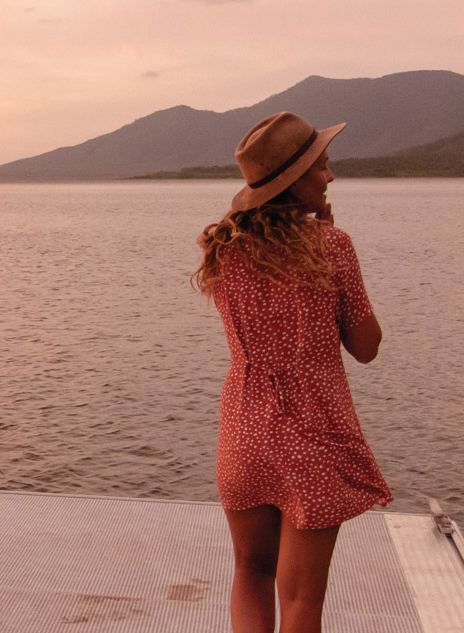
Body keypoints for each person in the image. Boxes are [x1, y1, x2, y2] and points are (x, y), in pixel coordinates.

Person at [193, 112, 392, 633]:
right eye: (322, 168)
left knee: (249, 571)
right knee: (302, 602)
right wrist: (328, 239)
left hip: (243, 430)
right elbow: (366, 347)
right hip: (312, 434)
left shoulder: (225, 251)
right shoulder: (333, 247)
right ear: (294, 180)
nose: (330, 177)